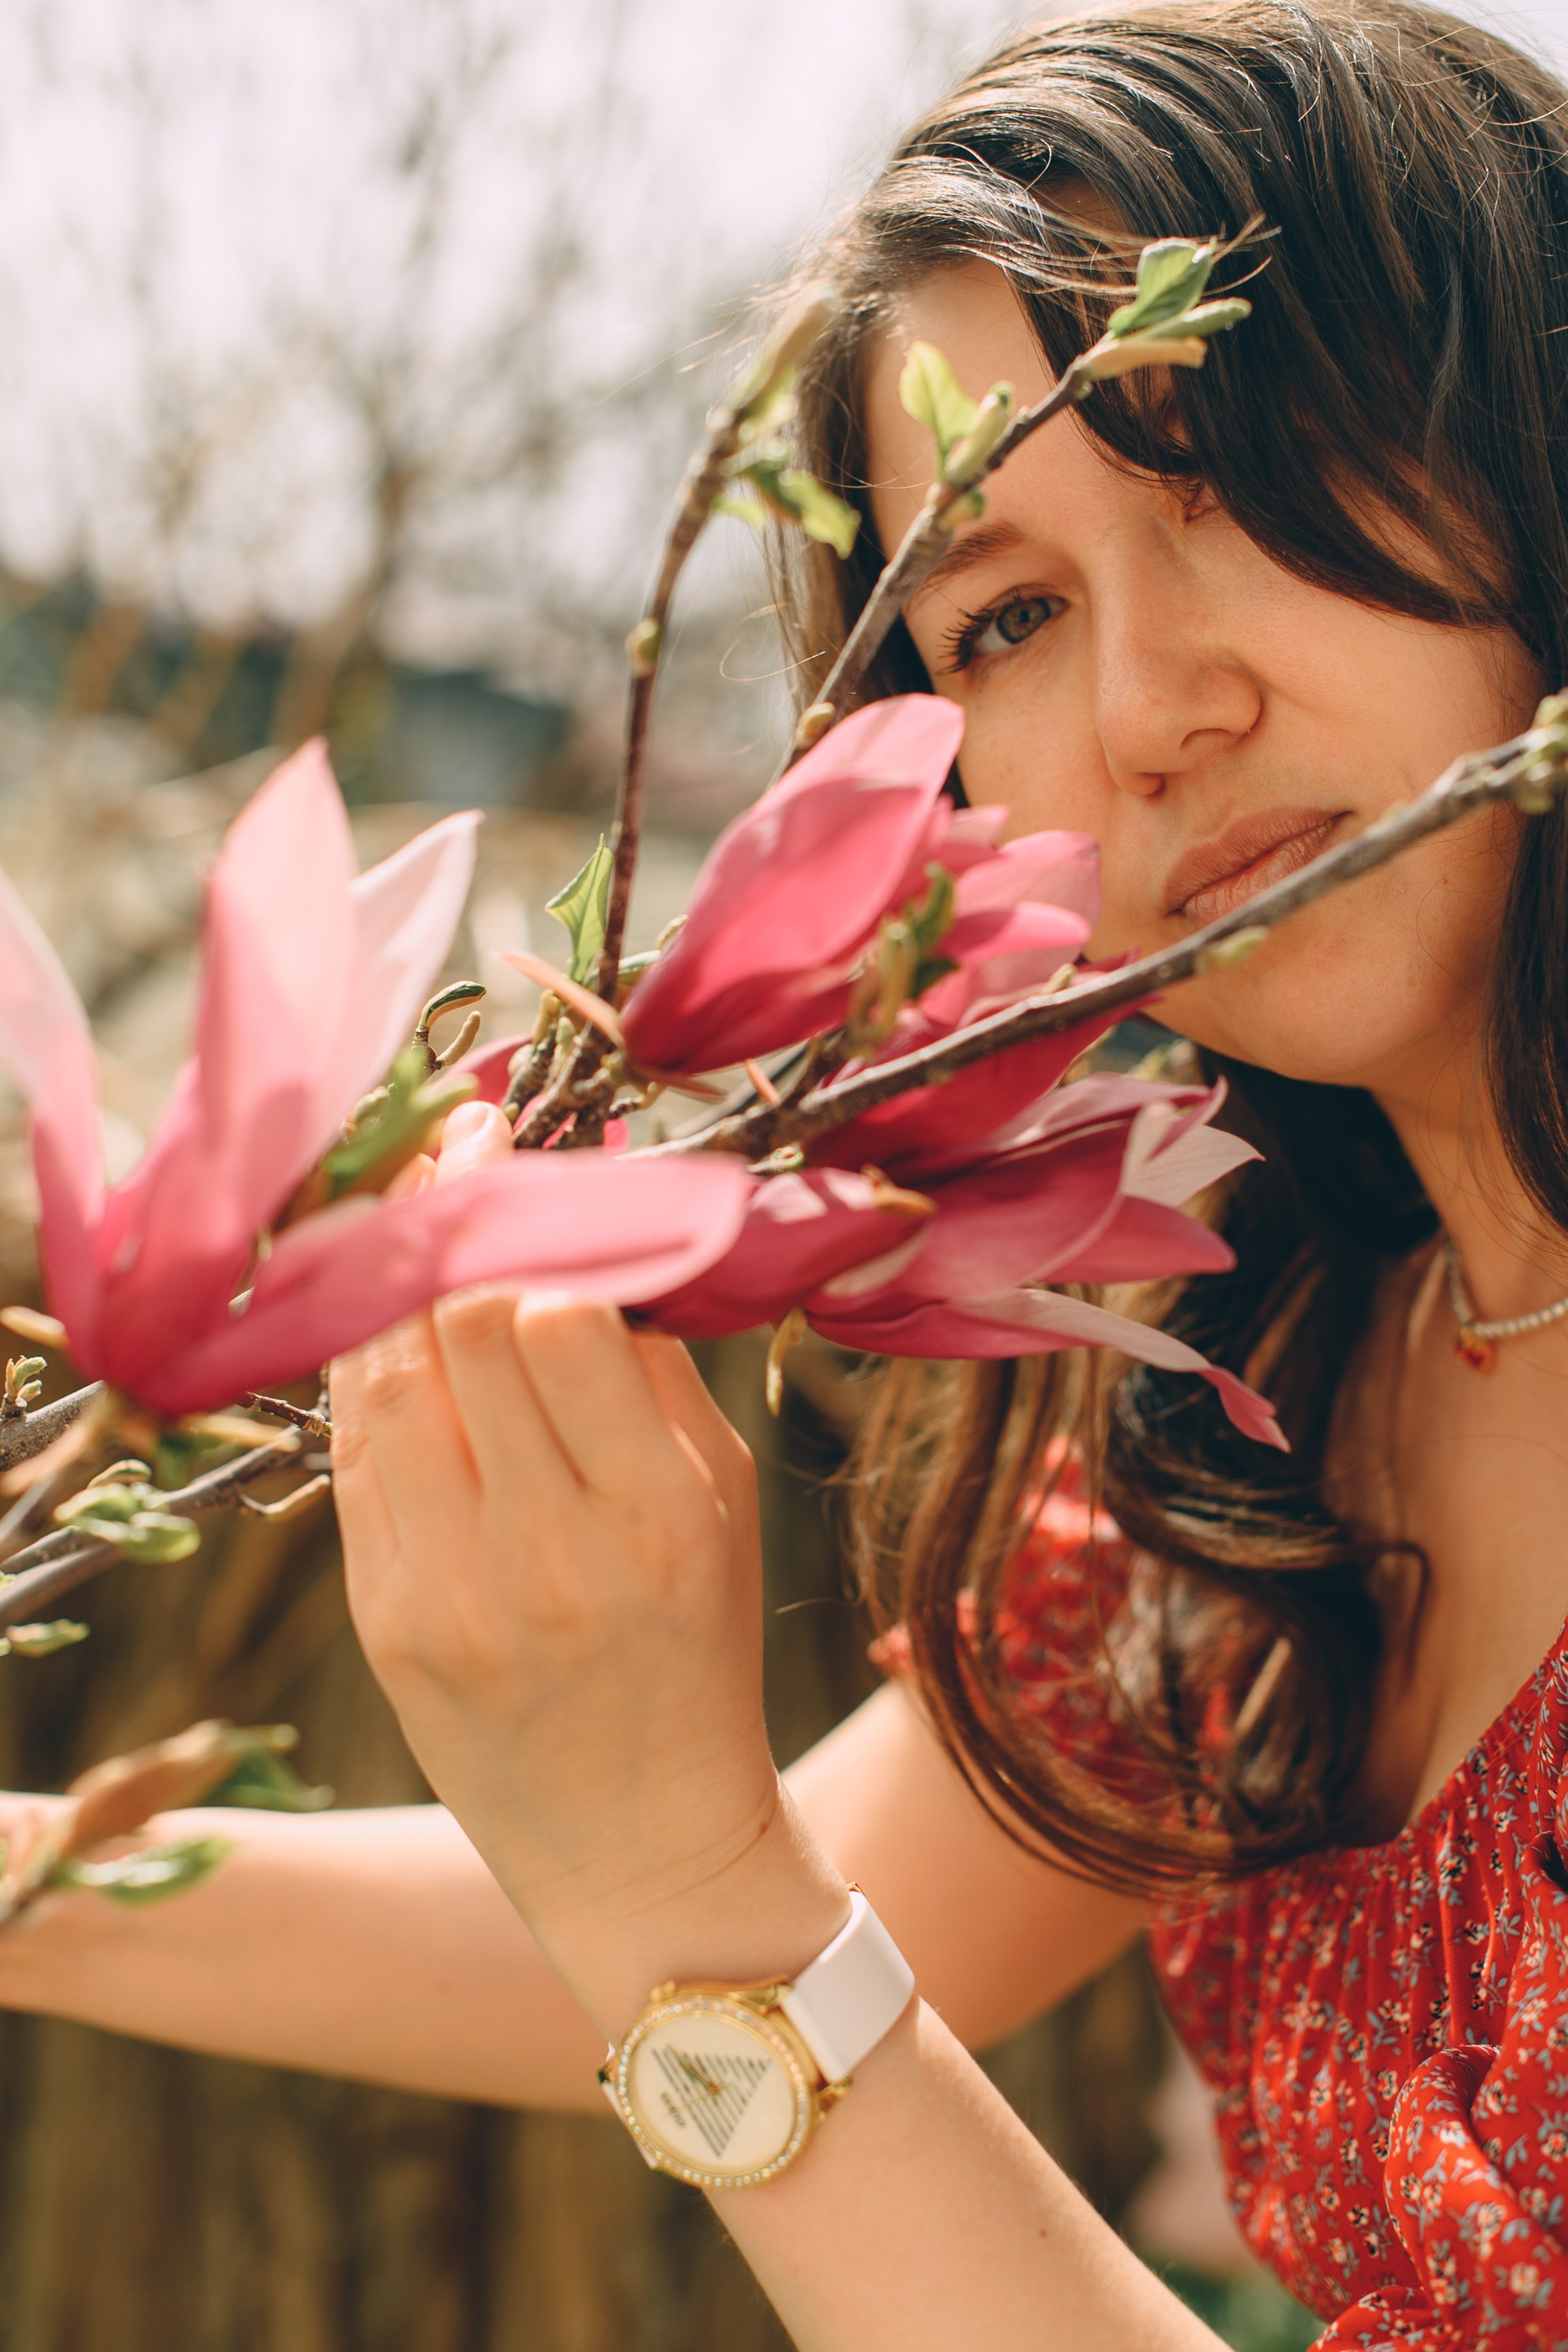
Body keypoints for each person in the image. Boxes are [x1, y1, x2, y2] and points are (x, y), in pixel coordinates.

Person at [3, 3, 1567, 2341]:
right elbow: (798, 1890)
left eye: (1245, 470)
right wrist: (28, 1865)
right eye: (1004, 619)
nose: (1154, 705)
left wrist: (673, 1882)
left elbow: (711, 1902)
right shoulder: (1265, 1417)